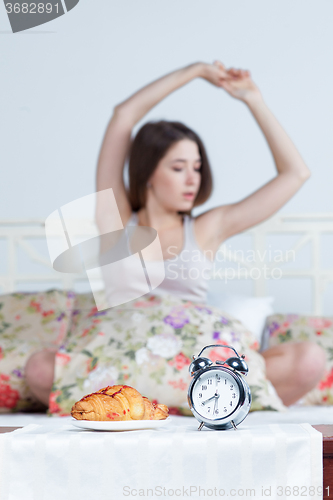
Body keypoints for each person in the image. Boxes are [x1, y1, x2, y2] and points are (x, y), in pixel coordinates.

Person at [25, 61, 326, 408]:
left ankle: (177, 402)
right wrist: (195, 71)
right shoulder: (116, 222)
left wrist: (253, 100)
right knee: (39, 369)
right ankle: (166, 403)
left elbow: (295, 174)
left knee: (308, 358)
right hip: (121, 363)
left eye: (197, 168)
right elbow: (124, 116)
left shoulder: (207, 228)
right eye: (178, 167)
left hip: (198, 366)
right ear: (149, 172)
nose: (192, 179)